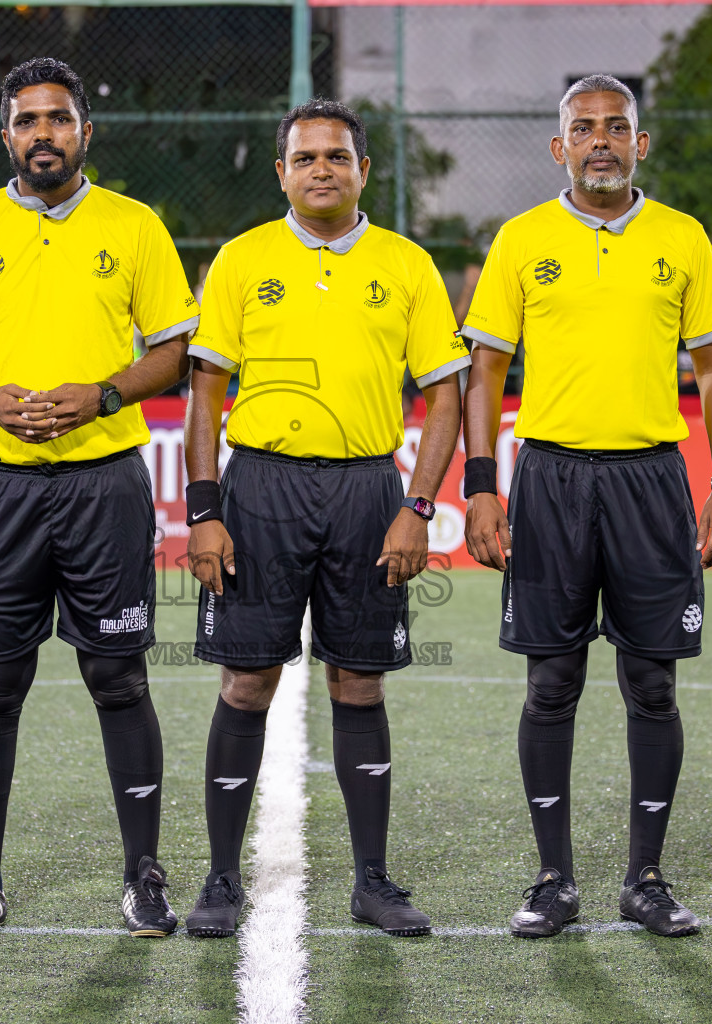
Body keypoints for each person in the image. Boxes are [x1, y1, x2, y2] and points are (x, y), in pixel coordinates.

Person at [0, 57, 198, 941]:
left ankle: (143, 873)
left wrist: (103, 394)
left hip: (104, 482)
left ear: (84, 133)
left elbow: (175, 351)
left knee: (117, 675)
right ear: (6, 135)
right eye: (27, 121)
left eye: (59, 119)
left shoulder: (135, 226)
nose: (43, 134)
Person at [461, 74, 712, 940]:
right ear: (560, 148)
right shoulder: (522, 239)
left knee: (651, 683)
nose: (600, 141)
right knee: (552, 682)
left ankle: (646, 880)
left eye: (616, 127)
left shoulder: (683, 238)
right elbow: (485, 373)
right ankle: (553, 879)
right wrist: (479, 485)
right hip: (549, 478)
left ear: (640, 144)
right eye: (583, 129)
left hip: (653, 479)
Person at [181, 99, 466, 940]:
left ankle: (373, 882)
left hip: (367, 493)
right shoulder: (240, 261)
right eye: (304, 158)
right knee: (245, 681)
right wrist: (205, 511)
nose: (320, 170)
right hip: (259, 489)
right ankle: (223, 881)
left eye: (336, 157)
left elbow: (443, 394)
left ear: (363, 170)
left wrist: (418, 506)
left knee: (360, 680)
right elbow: (204, 393)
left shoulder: (407, 265)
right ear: (281, 173)